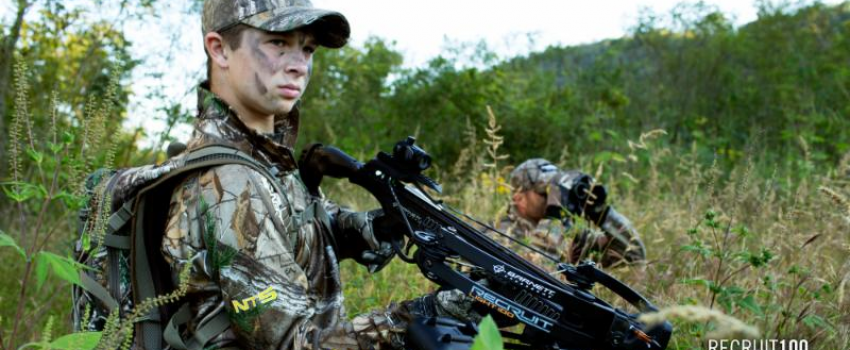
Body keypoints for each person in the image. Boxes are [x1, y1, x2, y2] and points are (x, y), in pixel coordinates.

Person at [138, 1, 474, 348]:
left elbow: (304, 232)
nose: (299, 65)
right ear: (220, 49)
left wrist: (384, 225)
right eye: (278, 43)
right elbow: (297, 344)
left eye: (308, 48)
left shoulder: (263, 160)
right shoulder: (232, 182)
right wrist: (422, 317)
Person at [495, 158, 647, 269]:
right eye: (546, 192)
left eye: (557, 190)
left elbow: (632, 255)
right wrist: (554, 217)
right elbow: (534, 272)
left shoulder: (567, 233)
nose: (555, 198)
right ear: (519, 198)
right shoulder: (500, 234)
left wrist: (601, 213)